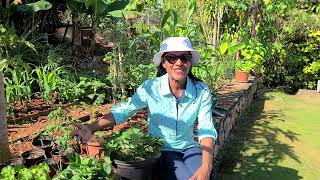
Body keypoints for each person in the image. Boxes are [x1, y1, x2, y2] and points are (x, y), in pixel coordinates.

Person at [72, 37, 217, 180]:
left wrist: (206, 167)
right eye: (172, 58)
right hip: (163, 150)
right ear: (164, 63)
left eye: (184, 58)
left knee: (207, 174)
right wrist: (91, 127)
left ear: (190, 61)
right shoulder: (151, 88)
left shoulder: (200, 91)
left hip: (190, 148)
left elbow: (206, 129)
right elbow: (124, 111)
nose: (179, 63)